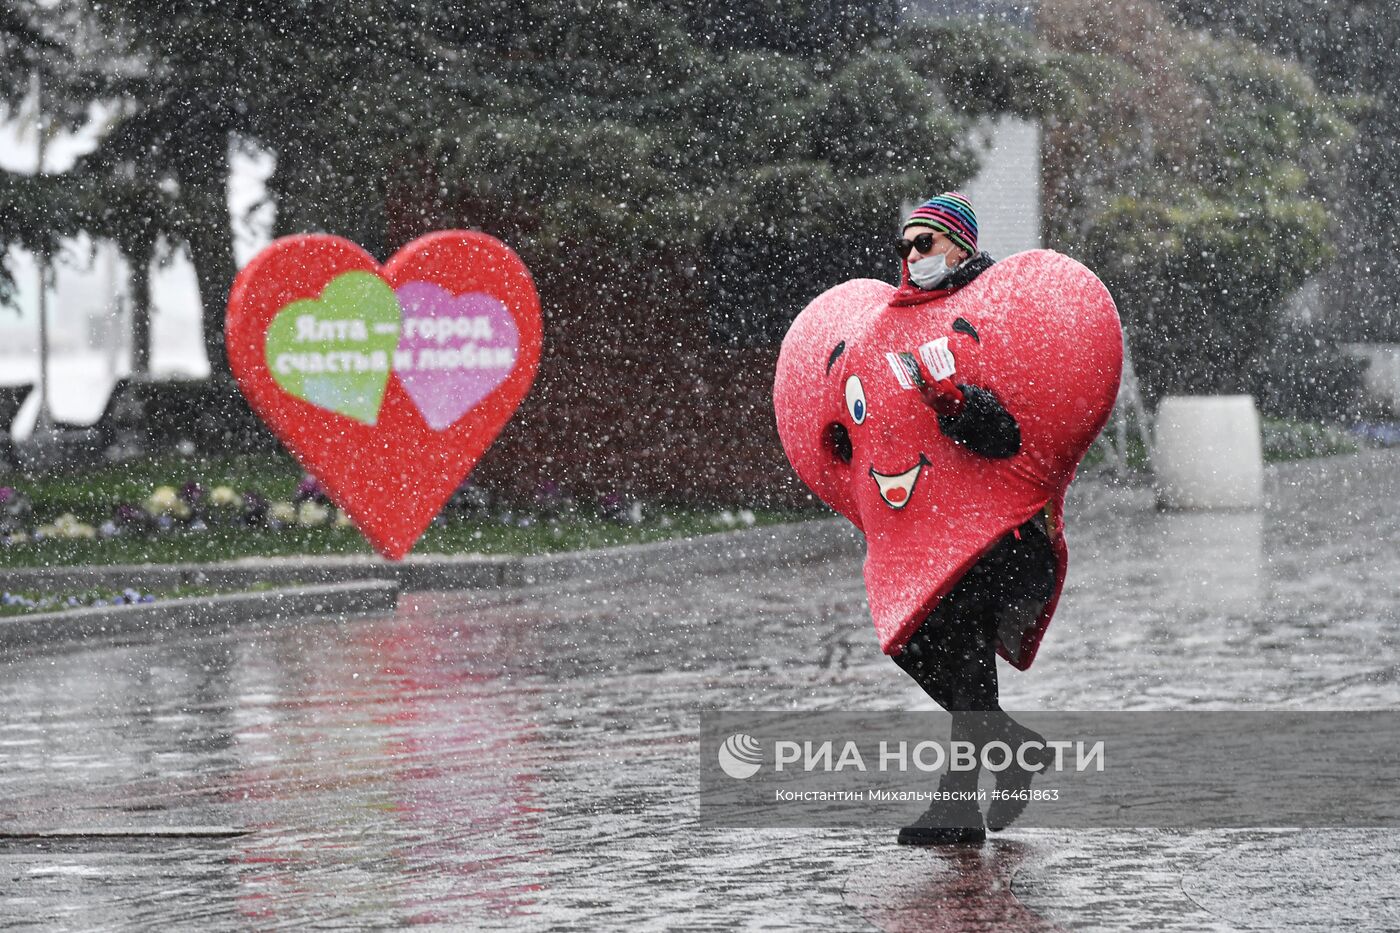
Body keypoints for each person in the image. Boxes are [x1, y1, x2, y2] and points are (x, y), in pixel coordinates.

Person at [886, 193, 1056, 846]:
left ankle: (962, 798)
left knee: (956, 627)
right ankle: (1007, 749)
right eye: (903, 248)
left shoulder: (991, 310)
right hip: (943, 532)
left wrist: (957, 403)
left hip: (1007, 533)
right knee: (918, 637)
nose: (910, 258)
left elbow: (1012, 432)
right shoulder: (905, 319)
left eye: (922, 244)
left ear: (960, 245)